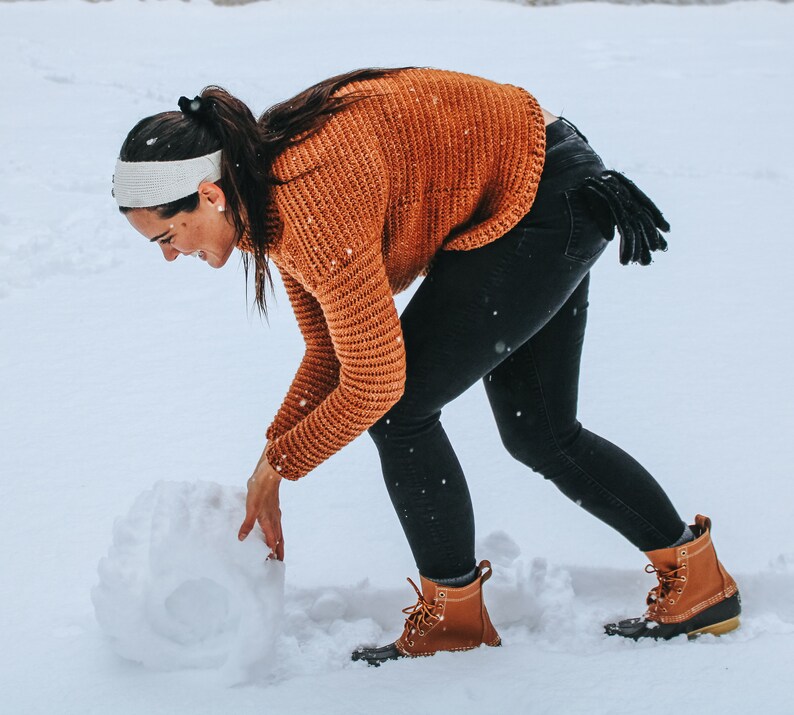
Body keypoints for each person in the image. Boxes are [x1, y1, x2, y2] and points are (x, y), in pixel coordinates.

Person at [114, 67, 740, 665]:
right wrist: (272, 455)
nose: (170, 257)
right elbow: (333, 351)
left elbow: (374, 380)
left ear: (208, 194)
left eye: (167, 237)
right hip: (542, 178)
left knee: (402, 410)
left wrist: (278, 465)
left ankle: (455, 620)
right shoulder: (265, 192)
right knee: (540, 431)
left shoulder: (305, 200)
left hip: (543, 196)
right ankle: (698, 579)